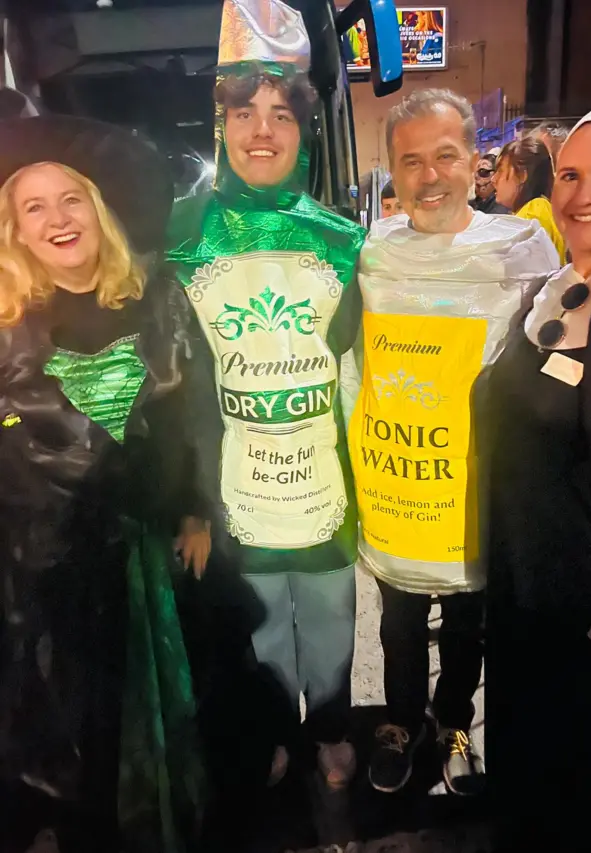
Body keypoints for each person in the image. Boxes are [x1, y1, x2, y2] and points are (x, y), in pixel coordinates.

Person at [167, 0, 365, 791]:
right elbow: (177, 387)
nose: (261, 130)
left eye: (280, 113)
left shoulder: (343, 239)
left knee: (330, 623)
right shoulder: (181, 238)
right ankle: (276, 730)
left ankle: (331, 732)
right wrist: (189, 503)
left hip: (323, 477)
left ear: (303, 129)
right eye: (244, 111)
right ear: (220, 122)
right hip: (234, 487)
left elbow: (362, 368)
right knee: (258, 631)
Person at [0, 116, 209, 853]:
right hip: (42, 568)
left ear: (98, 208)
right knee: (68, 730)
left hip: (145, 553)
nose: (57, 218)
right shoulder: (5, 322)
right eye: (34, 206)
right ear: (17, 230)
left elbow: (193, 416)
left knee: (153, 715)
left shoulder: (158, 295)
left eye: (71, 198)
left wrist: (195, 511)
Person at [348, 88, 559, 796]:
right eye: (411, 161)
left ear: (475, 161)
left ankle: (459, 728)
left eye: (445, 155)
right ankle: (403, 726)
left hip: (473, 486)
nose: (429, 175)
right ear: (392, 174)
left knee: (469, 629)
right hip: (400, 484)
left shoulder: (519, 252)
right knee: (399, 626)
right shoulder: (374, 252)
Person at [485, 96, 591, 851]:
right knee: (528, 771)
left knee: (588, 791)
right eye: (571, 173)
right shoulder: (555, 288)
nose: (584, 195)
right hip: (526, 587)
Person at [494, 136, 566, 261]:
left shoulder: (534, 211)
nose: (493, 179)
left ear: (522, 175)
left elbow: (523, 273)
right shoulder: (539, 208)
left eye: (500, 171)